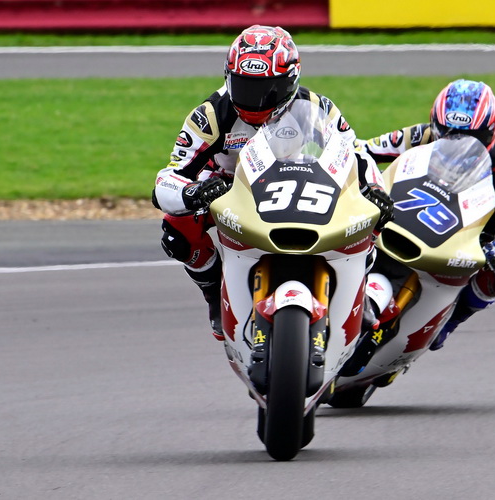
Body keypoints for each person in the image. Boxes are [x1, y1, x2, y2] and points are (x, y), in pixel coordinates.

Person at [151, 25, 393, 340]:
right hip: (230, 187)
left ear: (291, 81)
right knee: (176, 231)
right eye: (244, 87)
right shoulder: (209, 116)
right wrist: (192, 192)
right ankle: (214, 293)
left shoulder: (320, 108)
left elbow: (357, 155)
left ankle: (358, 291)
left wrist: (374, 190)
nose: (254, 100)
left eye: (268, 89)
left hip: (302, 181)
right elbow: (168, 178)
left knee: (373, 213)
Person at [361, 79, 495, 350]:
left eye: (471, 136)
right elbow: (361, 150)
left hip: (468, 227)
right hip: (410, 206)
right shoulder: (422, 135)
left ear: (490, 131)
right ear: (436, 123)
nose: (457, 142)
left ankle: (455, 317)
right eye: (448, 132)